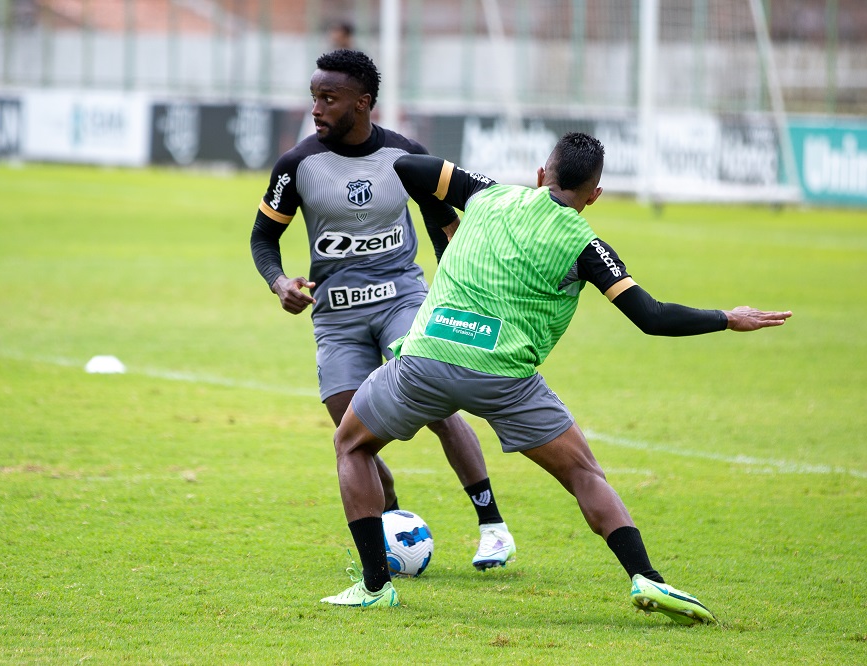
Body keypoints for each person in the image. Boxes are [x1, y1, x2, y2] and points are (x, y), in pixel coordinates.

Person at [320, 132, 792, 619]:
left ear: (541, 175)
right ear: (594, 195)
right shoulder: (586, 245)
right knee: (584, 473)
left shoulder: (489, 194)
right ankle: (647, 578)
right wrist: (727, 317)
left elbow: (411, 170)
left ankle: (376, 586)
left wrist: (447, 228)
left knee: (351, 445)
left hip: (427, 358)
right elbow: (652, 317)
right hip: (504, 378)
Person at [250, 49, 517, 572]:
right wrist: (280, 282)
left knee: (439, 405)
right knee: (354, 435)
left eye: (329, 99)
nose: (317, 109)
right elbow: (263, 238)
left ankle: (493, 528)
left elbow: (446, 226)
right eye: (313, 98)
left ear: (363, 102)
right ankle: (390, 530)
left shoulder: (404, 156)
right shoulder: (297, 165)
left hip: (403, 301)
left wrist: (453, 291)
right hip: (337, 319)